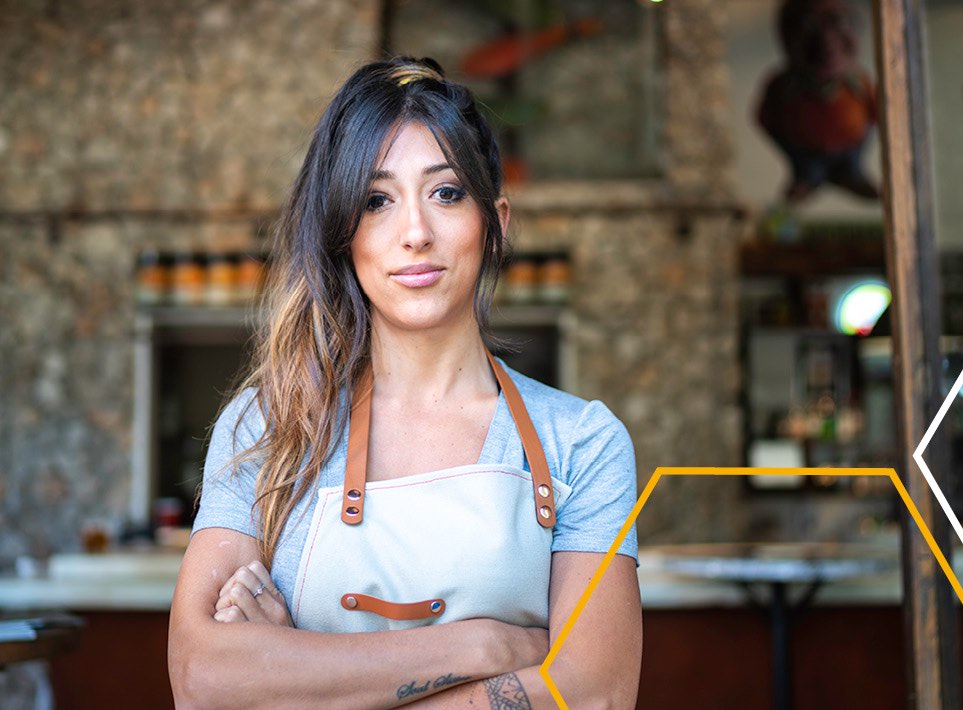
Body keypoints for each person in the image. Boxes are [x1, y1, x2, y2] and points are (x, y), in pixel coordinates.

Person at [168, 56, 641, 709]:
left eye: (445, 193)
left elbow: (595, 696)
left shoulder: (582, 443)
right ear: (343, 234)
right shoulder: (268, 424)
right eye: (376, 200)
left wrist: (296, 682)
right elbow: (202, 680)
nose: (414, 233)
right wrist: (486, 648)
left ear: (494, 223)